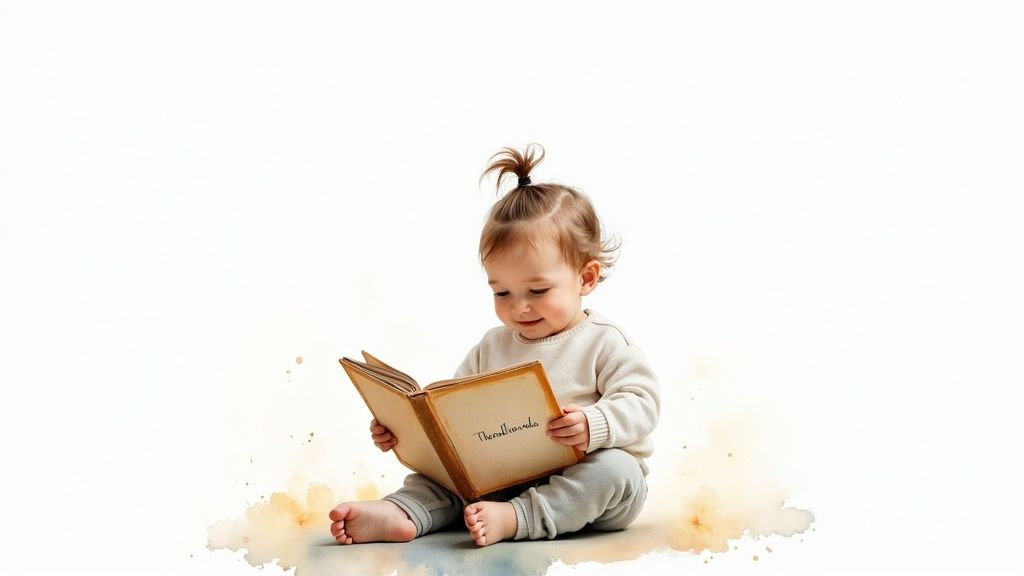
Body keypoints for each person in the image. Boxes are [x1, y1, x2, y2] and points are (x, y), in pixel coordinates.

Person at [330, 144, 660, 546]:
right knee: (450, 472)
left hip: (587, 489)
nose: (519, 307)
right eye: (501, 292)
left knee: (616, 472)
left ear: (586, 278)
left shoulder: (604, 342)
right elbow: (450, 412)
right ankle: (404, 511)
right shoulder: (492, 346)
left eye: (538, 290)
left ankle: (519, 519)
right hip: (504, 480)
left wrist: (595, 424)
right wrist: (406, 429)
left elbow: (643, 402)